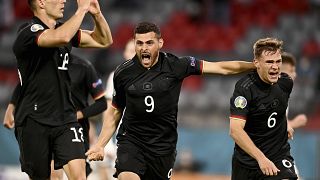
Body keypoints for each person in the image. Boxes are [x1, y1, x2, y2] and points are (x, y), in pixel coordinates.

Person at [86, 21, 255, 180]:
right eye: (140, 43)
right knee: (127, 176)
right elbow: (115, 111)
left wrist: (254, 66)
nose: (144, 48)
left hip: (163, 146)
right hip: (132, 141)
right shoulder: (123, 73)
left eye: (149, 43)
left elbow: (220, 68)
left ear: (160, 43)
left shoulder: (176, 65)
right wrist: (101, 144)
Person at [10, 0, 112, 179]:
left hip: (66, 118)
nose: (63, 0)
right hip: (34, 120)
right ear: (41, 2)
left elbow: (104, 40)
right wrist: (81, 10)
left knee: (79, 176)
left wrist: (96, 14)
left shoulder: (64, 30)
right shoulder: (28, 33)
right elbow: (61, 37)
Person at [3, 54, 108, 179]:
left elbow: (102, 103)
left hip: (74, 129)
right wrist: (11, 107)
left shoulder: (83, 66)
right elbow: (23, 85)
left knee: (79, 176)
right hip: (47, 126)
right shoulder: (41, 65)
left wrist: (76, 115)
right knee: (51, 174)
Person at [229, 38, 298, 179]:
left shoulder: (286, 83)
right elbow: (235, 130)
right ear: (256, 63)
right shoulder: (245, 89)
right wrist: (261, 159)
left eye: (278, 61)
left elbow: (278, 105)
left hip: (278, 156)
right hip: (247, 162)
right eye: (269, 62)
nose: (275, 67)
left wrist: (285, 123)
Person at [93, 39, 135, 180]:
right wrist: (107, 142)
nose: (133, 54)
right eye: (131, 50)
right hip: (124, 136)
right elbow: (110, 109)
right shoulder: (116, 76)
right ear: (124, 53)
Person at [281, 52, 308, 129]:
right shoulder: (271, 95)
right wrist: (294, 123)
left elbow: (276, 123)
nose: (294, 74)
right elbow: (269, 130)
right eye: (291, 70)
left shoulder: (283, 94)